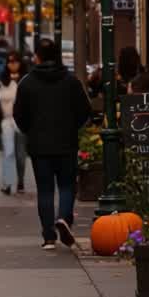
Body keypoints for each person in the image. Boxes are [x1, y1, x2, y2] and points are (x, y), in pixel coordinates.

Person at [14, 38, 92, 250]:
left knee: (45, 190)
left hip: (39, 145)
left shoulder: (27, 83)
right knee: (67, 186)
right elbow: (84, 110)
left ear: (37, 57)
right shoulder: (71, 81)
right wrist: (72, 127)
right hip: (66, 142)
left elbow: (19, 114)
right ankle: (63, 218)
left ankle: (48, 236)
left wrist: (31, 131)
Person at [0, 52, 29, 195]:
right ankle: (8, 183)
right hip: (6, 119)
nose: (12, 64)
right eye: (9, 61)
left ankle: (20, 181)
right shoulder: (2, 80)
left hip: (21, 120)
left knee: (21, 154)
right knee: (8, 152)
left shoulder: (26, 79)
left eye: (15, 61)